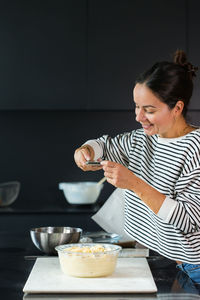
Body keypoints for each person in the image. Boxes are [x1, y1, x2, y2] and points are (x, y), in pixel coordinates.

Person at [74, 50, 200, 287]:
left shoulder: (196, 149)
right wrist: (85, 152)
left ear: (177, 108)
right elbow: (103, 145)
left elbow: (189, 220)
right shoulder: (141, 139)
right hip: (162, 260)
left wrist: (134, 184)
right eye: (136, 106)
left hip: (195, 268)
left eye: (149, 110)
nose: (138, 117)